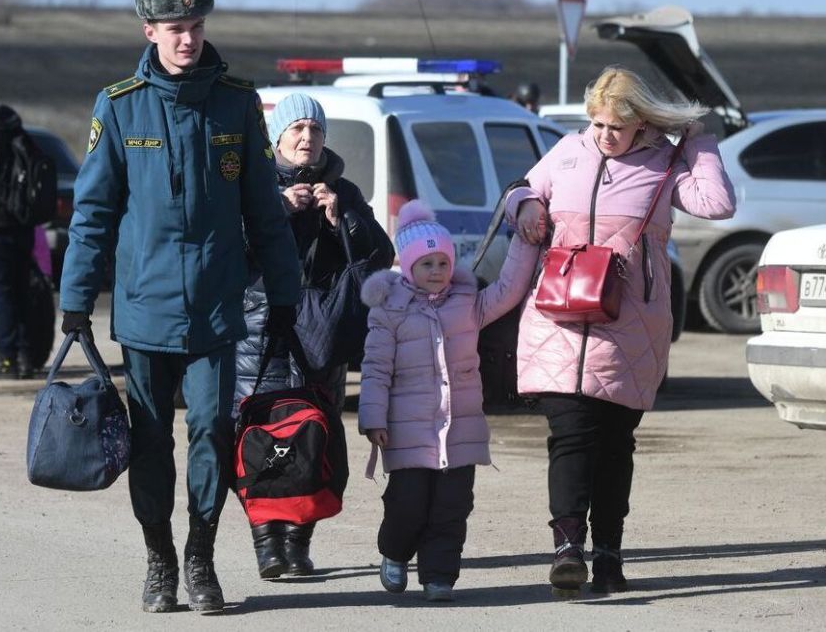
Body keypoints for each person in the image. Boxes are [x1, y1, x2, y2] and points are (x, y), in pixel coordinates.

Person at [57, 0, 301, 614]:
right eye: (174, 29)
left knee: (213, 431)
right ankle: (159, 560)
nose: (187, 39)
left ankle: (200, 556)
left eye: (195, 27)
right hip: (144, 310)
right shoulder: (120, 105)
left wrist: (285, 295)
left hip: (216, 309)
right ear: (150, 32)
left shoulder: (237, 104)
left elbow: (265, 213)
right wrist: (75, 300)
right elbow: (92, 213)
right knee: (150, 440)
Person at [510, 66, 736, 596]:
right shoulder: (567, 151)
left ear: (642, 123)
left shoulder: (665, 162)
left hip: (630, 325)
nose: (605, 135)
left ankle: (608, 555)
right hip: (560, 319)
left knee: (615, 444)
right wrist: (525, 203)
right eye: (598, 123)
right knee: (570, 435)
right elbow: (524, 187)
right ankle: (568, 548)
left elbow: (718, 203)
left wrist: (699, 142)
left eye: (616, 126)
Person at [233, 93, 394, 580]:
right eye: (297, 129)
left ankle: (299, 541)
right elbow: (227, 249)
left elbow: (380, 255)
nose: (307, 138)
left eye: (315, 130)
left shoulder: (343, 189)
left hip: (320, 335)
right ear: (277, 137)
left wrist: (343, 219)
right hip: (259, 330)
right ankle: (267, 543)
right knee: (258, 436)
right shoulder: (252, 182)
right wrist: (275, 211)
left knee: (313, 438)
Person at [358, 200, 538, 602]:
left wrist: (526, 241)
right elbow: (375, 369)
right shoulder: (390, 310)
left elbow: (508, 291)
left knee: (452, 506)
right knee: (407, 505)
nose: (437, 271)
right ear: (408, 267)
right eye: (426, 264)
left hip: (460, 429)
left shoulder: (466, 303)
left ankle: (439, 575)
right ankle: (395, 551)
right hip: (407, 431)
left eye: (443, 263)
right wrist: (373, 418)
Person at [0, 100, 39, 380]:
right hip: (24, 228)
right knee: (21, 292)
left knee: (1, 295)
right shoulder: (25, 143)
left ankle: (6, 359)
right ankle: (26, 356)